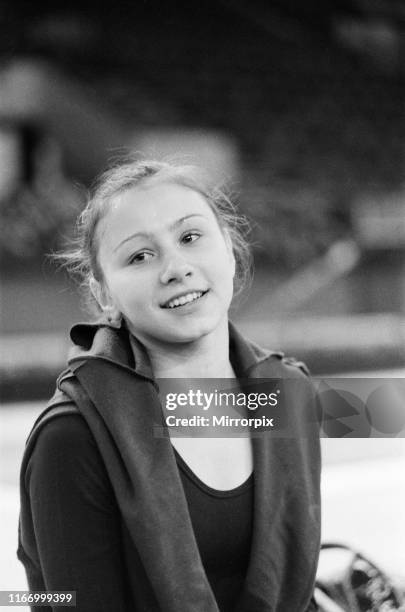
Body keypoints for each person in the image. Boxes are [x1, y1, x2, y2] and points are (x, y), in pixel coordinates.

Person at [18, 159, 321, 611]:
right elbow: (65, 601)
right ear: (103, 294)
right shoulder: (72, 437)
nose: (175, 267)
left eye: (190, 237)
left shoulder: (289, 395)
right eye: (140, 256)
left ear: (231, 251)